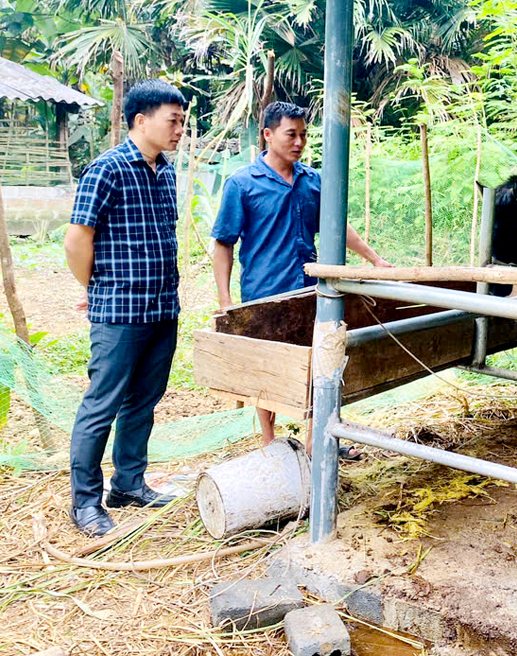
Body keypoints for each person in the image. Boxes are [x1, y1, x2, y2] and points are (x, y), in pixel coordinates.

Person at [212, 101, 392, 453]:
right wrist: (225, 299)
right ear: (267, 135)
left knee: (318, 361)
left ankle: (315, 441)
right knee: (268, 369)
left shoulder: (313, 181)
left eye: (304, 135)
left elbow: (337, 226)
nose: (299, 142)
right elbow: (223, 243)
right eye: (291, 134)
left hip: (312, 290)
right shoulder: (242, 184)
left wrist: (374, 259)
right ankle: (271, 445)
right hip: (264, 292)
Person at [63, 80, 188, 537]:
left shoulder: (165, 171)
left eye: (181, 121)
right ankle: (85, 504)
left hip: (161, 308)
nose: (179, 129)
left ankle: (129, 484)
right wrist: (96, 287)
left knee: (143, 402)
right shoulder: (107, 169)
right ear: (141, 120)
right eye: (172, 120)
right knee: (102, 405)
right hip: (119, 311)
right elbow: (78, 241)